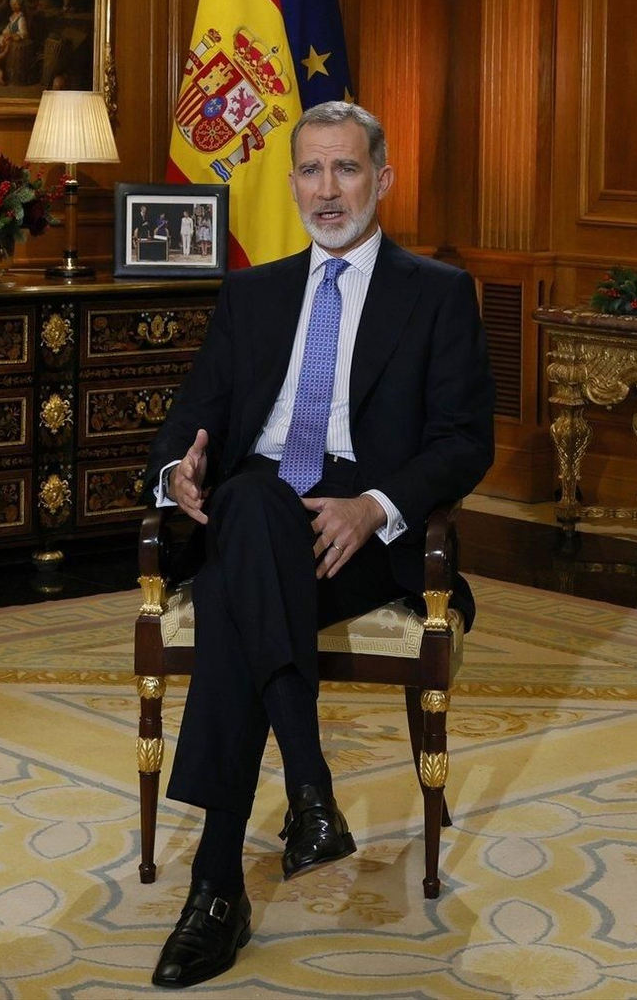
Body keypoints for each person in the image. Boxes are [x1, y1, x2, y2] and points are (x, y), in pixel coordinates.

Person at [143, 101, 494, 989]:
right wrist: (174, 478)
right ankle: (307, 793)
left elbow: (463, 439)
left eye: (345, 170)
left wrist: (374, 505)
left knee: (240, 578)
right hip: (261, 513)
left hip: (360, 542)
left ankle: (217, 889)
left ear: (382, 178)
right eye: (310, 171)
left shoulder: (437, 292)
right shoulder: (253, 293)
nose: (326, 191)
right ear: (291, 179)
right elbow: (190, 422)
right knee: (254, 502)